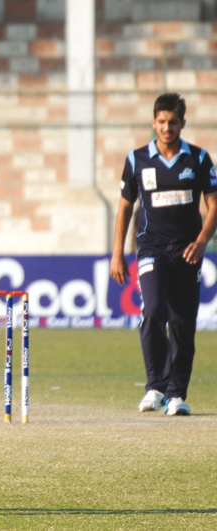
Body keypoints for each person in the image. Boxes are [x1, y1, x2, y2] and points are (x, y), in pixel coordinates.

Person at [110, 93, 217, 416]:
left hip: (187, 251)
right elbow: (125, 207)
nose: (167, 127)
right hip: (151, 248)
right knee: (154, 309)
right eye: (161, 121)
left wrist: (201, 241)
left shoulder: (198, 159)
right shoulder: (136, 159)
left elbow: (213, 204)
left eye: (173, 122)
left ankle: (176, 395)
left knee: (183, 323)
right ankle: (155, 386)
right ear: (153, 122)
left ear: (182, 123)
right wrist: (117, 253)